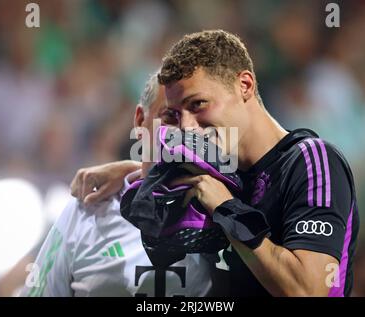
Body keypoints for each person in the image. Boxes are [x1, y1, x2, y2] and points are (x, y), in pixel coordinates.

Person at [72, 30, 359, 297]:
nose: (187, 127)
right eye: (175, 113)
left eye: (197, 105)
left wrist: (228, 211)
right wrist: (130, 170)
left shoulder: (311, 161)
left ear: (244, 85)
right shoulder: (219, 168)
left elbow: (308, 289)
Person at [20, 73, 222, 297]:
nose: (185, 132)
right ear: (139, 121)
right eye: (169, 117)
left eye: (199, 120)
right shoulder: (85, 212)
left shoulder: (227, 215)